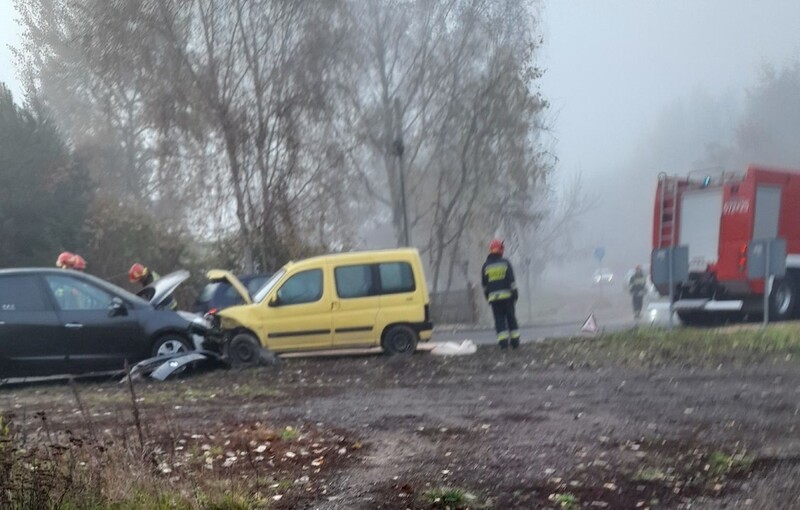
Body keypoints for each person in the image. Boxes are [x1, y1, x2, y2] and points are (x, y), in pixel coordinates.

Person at [481, 239, 520, 350]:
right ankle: (515, 342)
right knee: (511, 318)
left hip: (494, 300)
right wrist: (515, 294)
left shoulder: (486, 266)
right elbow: (512, 281)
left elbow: (485, 285)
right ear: (501, 250)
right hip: (507, 298)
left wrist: (488, 297)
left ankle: (503, 344)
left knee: (499, 321)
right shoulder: (506, 263)